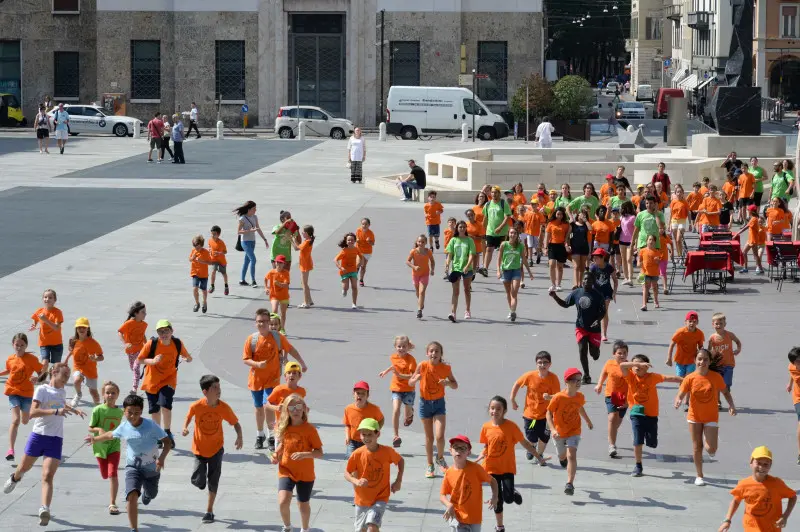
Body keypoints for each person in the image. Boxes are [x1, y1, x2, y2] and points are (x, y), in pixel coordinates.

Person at [3, 363, 85, 526]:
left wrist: (73, 409)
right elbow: (32, 412)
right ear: (54, 372)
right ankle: (15, 478)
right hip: (38, 436)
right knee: (23, 468)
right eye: (65, 374)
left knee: (47, 476)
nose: (67, 378)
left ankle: (44, 508)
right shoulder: (42, 390)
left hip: (55, 439)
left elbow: (59, 405)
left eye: (68, 375)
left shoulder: (62, 391)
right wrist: (56, 412)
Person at [86, 393, 171, 532]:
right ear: (124, 411)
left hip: (152, 468)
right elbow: (110, 434)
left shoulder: (151, 426)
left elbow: (167, 442)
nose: (132, 416)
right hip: (133, 467)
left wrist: (161, 459)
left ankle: (147, 495)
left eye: (136, 413)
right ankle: (134, 529)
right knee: (131, 496)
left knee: (152, 494)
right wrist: (95, 439)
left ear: (141, 412)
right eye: (129, 413)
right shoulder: (124, 426)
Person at [243, 308, 307, 452]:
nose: (262, 324)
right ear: (255, 323)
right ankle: (260, 435)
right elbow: (246, 359)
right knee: (259, 408)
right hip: (256, 380)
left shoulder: (277, 337)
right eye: (259, 322)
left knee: (269, 405)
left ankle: (271, 435)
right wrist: (257, 364)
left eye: (265, 322)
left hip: (272, 379)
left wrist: (302, 363)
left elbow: (290, 349)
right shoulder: (252, 339)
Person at [181, 374, 243, 524]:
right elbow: (189, 416)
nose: (218, 390)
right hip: (199, 450)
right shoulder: (196, 406)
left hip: (216, 449)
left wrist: (239, 436)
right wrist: (185, 428)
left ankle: (209, 511)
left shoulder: (224, 408)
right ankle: (199, 481)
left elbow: (235, 423)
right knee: (198, 480)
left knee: (213, 481)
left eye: (219, 387)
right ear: (205, 391)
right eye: (214, 387)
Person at [478, 396, 546, 532]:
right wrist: (482, 454)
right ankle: (500, 526)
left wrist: (538, 456)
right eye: (492, 408)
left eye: (498, 409)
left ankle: (512, 493)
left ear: (504, 411)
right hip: (491, 468)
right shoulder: (486, 427)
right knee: (496, 498)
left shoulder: (511, 427)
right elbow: (486, 445)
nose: (494, 411)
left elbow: (525, 443)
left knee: (508, 499)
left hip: (507, 467)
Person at [674, 349, 736, 487]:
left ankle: (710, 449)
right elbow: (681, 393)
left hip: (711, 416)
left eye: (705, 359)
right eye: (699, 359)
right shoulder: (690, 378)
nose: (702, 362)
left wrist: (731, 405)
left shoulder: (715, 377)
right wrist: (678, 400)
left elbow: (725, 392)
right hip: (694, 416)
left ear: (710, 361)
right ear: (695, 360)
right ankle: (699, 475)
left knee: (711, 448)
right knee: (697, 447)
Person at [619, 355, 683, 477]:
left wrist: (685, 380)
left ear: (647, 367)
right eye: (635, 365)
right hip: (636, 413)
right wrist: (636, 364)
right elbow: (622, 365)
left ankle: (651, 440)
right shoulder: (630, 377)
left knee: (652, 442)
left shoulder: (652, 377)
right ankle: (638, 465)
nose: (637, 367)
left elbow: (670, 378)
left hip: (651, 414)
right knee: (637, 440)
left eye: (641, 365)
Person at [137, 319, 193, 448]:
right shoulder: (152, 343)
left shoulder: (177, 343)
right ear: (157, 333)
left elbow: (188, 357)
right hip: (151, 381)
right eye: (160, 331)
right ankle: (157, 434)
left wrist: (187, 359)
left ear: (172, 331)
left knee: (166, 405)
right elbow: (140, 360)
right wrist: (152, 361)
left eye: (166, 330)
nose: (164, 334)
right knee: (155, 410)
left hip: (169, 379)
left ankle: (167, 432)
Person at [271, 394, 323, 532]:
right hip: (286, 470)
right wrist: (276, 454)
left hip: (305, 473)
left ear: (304, 409)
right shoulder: (285, 427)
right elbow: (282, 444)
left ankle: (304, 529)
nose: (295, 410)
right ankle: (287, 526)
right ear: (287, 411)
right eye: (291, 407)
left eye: (299, 407)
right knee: (283, 501)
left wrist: (305, 454)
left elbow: (319, 452)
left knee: (303, 504)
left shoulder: (310, 430)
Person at [344, 418, 404, 532]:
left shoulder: (387, 452)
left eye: (370, 434)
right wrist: (356, 481)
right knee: (361, 530)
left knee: (372, 527)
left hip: (380, 498)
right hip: (361, 500)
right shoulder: (357, 454)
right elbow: (346, 473)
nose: (366, 438)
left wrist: (398, 480)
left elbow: (400, 461)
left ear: (378, 434)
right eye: (363, 434)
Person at [408, 341, 458, 478]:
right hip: (425, 404)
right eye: (431, 351)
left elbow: (455, 385)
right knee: (429, 437)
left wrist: (447, 383)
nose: (434, 354)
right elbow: (410, 382)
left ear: (441, 354)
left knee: (440, 436)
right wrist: (415, 379)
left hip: (439, 404)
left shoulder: (446, 368)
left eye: (437, 351)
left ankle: (440, 458)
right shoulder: (422, 365)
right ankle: (430, 465)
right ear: (427, 353)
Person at [720, 446, 796, 531]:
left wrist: (785, 516)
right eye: (758, 463)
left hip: (772, 528)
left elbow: (793, 496)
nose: (761, 467)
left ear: (770, 466)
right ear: (751, 463)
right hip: (751, 527)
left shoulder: (777, 484)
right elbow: (736, 501)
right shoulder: (744, 484)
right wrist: (727, 520)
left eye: (765, 464)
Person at [549, 271, 606, 383]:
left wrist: (598, 320)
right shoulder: (577, 293)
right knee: (582, 349)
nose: (586, 281)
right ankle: (587, 375)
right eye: (584, 279)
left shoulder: (598, 295)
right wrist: (555, 296)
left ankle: (596, 352)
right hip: (581, 327)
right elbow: (565, 304)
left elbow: (603, 311)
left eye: (589, 280)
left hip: (594, 329)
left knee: (594, 355)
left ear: (593, 282)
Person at [546, 367, 593, 496]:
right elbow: (548, 413)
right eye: (574, 380)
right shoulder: (558, 397)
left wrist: (588, 421)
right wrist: (553, 429)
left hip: (574, 430)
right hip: (559, 432)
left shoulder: (580, 396)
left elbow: (580, 408)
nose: (578, 383)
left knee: (572, 454)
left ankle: (569, 483)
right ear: (567, 381)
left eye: (579, 380)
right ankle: (563, 460)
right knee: (563, 456)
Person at [440, 434, 498, 532]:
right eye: (456, 447)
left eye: (463, 448)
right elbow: (442, 495)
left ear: (468, 452)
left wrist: (495, 497)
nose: (459, 450)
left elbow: (493, 481)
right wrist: (449, 505)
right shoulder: (449, 472)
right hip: (457, 516)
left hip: (475, 517)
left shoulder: (476, 469)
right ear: (450, 451)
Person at [510, 350, 560, 461]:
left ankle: (540, 454)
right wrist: (512, 399)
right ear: (536, 364)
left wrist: (550, 397)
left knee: (544, 437)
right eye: (540, 362)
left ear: (550, 364)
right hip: (531, 416)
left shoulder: (553, 378)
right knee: (531, 436)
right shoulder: (529, 376)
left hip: (546, 416)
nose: (542, 365)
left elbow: (558, 396)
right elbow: (517, 384)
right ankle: (531, 447)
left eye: (545, 362)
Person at [2, 333, 44, 462]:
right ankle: (11, 450)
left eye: (22, 345)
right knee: (16, 420)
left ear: (26, 346)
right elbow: (9, 370)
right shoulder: (10, 359)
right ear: (13, 345)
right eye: (17, 345)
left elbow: (42, 372)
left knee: (25, 420)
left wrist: (37, 378)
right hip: (13, 391)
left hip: (26, 394)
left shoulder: (31, 359)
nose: (19, 347)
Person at [86, 381, 123, 515]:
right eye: (108, 392)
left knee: (113, 474)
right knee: (105, 474)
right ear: (103, 394)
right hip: (100, 447)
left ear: (118, 395)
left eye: (113, 393)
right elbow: (90, 427)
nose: (110, 395)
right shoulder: (98, 410)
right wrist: (99, 429)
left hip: (114, 446)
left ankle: (112, 503)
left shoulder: (120, 412)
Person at [379, 336, 418, 448]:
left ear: (408, 347)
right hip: (396, 388)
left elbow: (412, 375)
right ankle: (396, 436)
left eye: (404, 346)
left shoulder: (411, 360)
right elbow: (394, 366)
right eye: (399, 346)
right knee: (396, 409)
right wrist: (386, 371)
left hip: (409, 389)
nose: (401, 349)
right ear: (395, 347)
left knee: (408, 412)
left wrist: (400, 375)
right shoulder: (394, 357)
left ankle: (410, 414)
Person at [594, 340, 629, 458]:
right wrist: (599, 384)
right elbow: (604, 373)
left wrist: (629, 400)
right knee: (612, 417)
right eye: (619, 353)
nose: (622, 355)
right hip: (611, 394)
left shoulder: (629, 366)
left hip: (623, 397)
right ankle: (612, 445)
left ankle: (612, 434)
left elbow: (634, 383)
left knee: (617, 421)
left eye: (624, 353)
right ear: (614, 354)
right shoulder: (609, 363)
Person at [64, 317, 104, 407]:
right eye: (79, 327)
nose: (81, 329)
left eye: (84, 327)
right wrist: (65, 361)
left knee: (94, 393)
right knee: (77, 380)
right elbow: (71, 352)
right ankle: (78, 394)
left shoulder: (94, 343)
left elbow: (101, 357)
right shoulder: (73, 341)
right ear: (76, 329)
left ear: (88, 329)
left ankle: (98, 407)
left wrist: (95, 359)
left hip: (91, 369)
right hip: (78, 367)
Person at [496, 227, 532, 322]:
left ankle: (513, 311)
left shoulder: (520, 246)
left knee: (514, 292)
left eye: (514, 233)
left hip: (516, 270)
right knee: (508, 293)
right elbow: (499, 258)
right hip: (506, 271)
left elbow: (524, 259)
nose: (513, 235)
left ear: (517, 235)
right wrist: (498, 271)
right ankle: (511, 310)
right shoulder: (504, 244)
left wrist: (529, 272)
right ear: (508, 234)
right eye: (511, 233)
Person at [444, 220, 477, 322]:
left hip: (467, 268)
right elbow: (449, 254)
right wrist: (447, 265)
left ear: (466, 228)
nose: (462, 229)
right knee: (455, 292)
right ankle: (453, 313)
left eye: (463, 227)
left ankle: (467, 310)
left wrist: (467, 266)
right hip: (456, 268)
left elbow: (472, 255)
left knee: (467, 290)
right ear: (457, 228)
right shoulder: (454, 240)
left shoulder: (469, 240)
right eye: (460, 227)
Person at [343, 381, 385, 458]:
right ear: (354, 394)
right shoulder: (348, 409)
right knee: (351, 459)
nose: (360, 396)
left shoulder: (374, 409)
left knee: (366, 460)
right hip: (353, 441)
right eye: (358, 393)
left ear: (367, 395)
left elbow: (381, 419)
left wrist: (376, 431)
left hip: (367, 440)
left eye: (363, 394)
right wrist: (347, 436)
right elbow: (347, 424)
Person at [234, 201, 269, 287]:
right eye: (254, 209)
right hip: (244, 242)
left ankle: (242, 280)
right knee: (253, 259)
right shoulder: (242, 218)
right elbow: (238, 231)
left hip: (252, 241)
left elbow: (258, 228)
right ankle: (253, 281)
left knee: (247, 261)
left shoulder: (255, 217)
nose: (255, 210)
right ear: (249, 209)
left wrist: (264, 239)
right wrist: (249, 230)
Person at [707, 312, 742, 398]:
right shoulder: (712, 338)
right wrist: (709, 359)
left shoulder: (729, 335)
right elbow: (709, 350)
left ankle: (728, 398)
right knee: (717, 384)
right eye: (716, 324)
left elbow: (737, 341)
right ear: (713, 324)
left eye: (721, 323)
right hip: (717, 365)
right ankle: (718, 401)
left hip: (729, 364)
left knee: (726, 384)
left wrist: (738, 349)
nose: (719, 326)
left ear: (725, 324)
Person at [30, 288, 64, 375]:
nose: (47, 299)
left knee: (56, 366)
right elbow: (35, 318)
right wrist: (34, 324)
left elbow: (56, 328)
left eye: (50, 297)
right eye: (45, 297)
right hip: (44, 342)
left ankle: (54, 380)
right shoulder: (40, 311)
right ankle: (41, 378)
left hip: (57, 343)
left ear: (54, 300)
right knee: (44, 362)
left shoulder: (57, 312)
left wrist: (46, 320)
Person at [482, 186, 513, 275]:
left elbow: (507, 217)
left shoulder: (503, 203)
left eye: (495, 192)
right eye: (492, 192)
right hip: (490, 231)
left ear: (499, 193)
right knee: (489, 249)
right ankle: (485, 268)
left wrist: (500, 227)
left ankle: (503, 267)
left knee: (502, 250)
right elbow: (485, 217)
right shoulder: (488, 204)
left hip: (502, 232)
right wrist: (483, 230)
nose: (494, 194)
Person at [266, 362, 306, 429]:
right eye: (289, 373)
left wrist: (305, 409)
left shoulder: (302, 391)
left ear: (299, 376)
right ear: (285, 376)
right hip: (281, 425)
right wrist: (276, 408)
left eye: (294, 373)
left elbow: (300, 405)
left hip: (295, 425)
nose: (291, 375)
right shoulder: (278, 389)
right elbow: (267, 404)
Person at [118, 302, 147, 395]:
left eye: (145, 312)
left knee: (136, 367)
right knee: (133, 368)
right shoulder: (129, 323)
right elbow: (120, 332)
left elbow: (143, 335)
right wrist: (125, 343)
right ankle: (137, 377)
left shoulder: (144, 324)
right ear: (136, 313)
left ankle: (134, 389)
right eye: (143, 312)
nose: (145, 314)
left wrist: (147, 345)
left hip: (140, 350)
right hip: (130, 351)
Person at [666, 311, 705, 379]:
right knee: (680, 378)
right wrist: (669, 358)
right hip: (680, 360)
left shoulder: (699, 333)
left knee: (688, 378)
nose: (692, 323)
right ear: (685, 322)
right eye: (690, 321)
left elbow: (700, 346)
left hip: (692, 360)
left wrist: (702, 354)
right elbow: (672, 344)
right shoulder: (680, 332)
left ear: (697, 322)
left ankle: (687, 389)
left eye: (694, 321)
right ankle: (682, 389)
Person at [589, 248, 616, 341]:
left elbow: (615, 280)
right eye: (594, 258)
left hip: (606, 292)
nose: (594, 260)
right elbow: (588, 280)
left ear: (603, 257)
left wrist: (614, 292)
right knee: (595, 313)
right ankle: (594, 332)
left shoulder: (609, 267)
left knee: (604, 312)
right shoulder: (593, 267)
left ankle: (604, 334)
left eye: (596, 258)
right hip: (595, 292)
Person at [406, 234, 434, 319]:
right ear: (417, 242)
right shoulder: (413, 251)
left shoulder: (428, 251)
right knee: (418, 292)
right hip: (415, 274)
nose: (421, 243)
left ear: (425, 243)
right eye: (419, 241)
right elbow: (407, 261)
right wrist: (414, 267)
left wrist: (432, 270)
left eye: (423, 242)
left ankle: (419, 310)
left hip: (425, 274)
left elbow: (432, 261)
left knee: (422, 292)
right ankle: (421, 303)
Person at [335, 232, 363, 310]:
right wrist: (340, 267)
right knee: (346, 287)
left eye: (352, 240)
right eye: (348, 240)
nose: (350, 241)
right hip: (345, 272)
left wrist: (360, 263)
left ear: (355, 241)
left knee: (354, 287)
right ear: (346, 241)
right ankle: (344, 289)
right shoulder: (344, 251)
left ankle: (354, 303)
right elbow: (335, 260)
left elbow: (361, 256)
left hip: (353, 270)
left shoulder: (356, 249)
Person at [734, 205, 765, 274]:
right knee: (746, 253)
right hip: (751, 239)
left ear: (751, 211)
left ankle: (759, 269)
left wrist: (737, 233)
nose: (747, 211)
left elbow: (746, 227)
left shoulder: (754, 218)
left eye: (748, 210)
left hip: (753, 240)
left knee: (754, 255)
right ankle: (747, 268)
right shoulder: (753, 218)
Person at [265, 255, 291, 333]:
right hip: (274, 295)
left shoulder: (286, 273)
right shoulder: (271, 272)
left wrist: (278, 283)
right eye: (277, 262)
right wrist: (266, 287)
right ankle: (272, 327)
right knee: (274, 310)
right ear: (275, 263)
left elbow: (286, 285)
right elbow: (265, 278)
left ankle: (282, 328)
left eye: (281, 263)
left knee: (283, 313)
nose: (278, 264)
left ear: (284, 264)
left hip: (284, 296)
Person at [189, 234, 214, 314]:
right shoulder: (193, 251)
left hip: (203, 274)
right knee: (195, 288)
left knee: (203, 290)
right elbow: (190, 259)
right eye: (194, 245)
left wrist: (201, 261)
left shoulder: (206, 252)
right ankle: (197, 303)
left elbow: (210, 263)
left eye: (197, 245)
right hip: (195, 273)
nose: (196, 247)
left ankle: (204, 302)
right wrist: (192, 258)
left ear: (201, 244)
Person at [569, 210, 591, 289]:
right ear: (577, 216)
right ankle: (575, 284)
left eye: (584, 215)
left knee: (582, 266)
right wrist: (567, 245)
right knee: (576, 266)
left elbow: (590, 229)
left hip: (584, 247)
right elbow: (568, 235)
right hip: (575, 247)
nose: (582, 217)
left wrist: (586, 220)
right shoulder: (573, 224)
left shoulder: (586, 225)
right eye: (581, 215)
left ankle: (580, 283)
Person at [638, 234, 661, 310]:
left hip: (654, 273)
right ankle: (644, 304)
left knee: (654, 287)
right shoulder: (642, 251)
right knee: (645, 288)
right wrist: (640, 264)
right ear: (646, 241)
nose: (651, 241)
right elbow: (639, 262)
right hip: (645, 273)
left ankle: (656, 301)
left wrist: (657, 261)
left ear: (655, 242)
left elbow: (659, 263)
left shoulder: (657, 252)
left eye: (653, 240)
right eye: (649, 240)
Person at [295, 225, 315, 308]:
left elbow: (296, 248)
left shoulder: (307, 242)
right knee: (305, 283)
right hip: (306, 263)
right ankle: (309, 300)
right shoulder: (307, 240)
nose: (302, 233)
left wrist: (291, 239)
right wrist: (294, 239)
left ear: (306, 233)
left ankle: (305, 302)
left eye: (303, 232)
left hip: (305, 264)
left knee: (304, 284)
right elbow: (298, 246)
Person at [618, 201, 636, 285]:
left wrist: (635, 241)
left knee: (629, 259)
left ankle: (630, 278)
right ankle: (626, 277)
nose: (621, 209)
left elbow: (636, 230)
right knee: (623, 259)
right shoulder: (621, 217)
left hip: (630, 241)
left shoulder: (633, 218)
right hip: (622, 240)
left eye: (623, 207)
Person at [208, 225, 229, 296]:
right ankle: (212, 286)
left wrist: (220, 253)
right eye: (212, 234)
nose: (213, 235)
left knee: (224, 273)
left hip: (221, 260)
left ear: (218, 234)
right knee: (213, 271)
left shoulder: (221, 242)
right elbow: (210, 247)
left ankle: (226, 286)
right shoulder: (210, 240)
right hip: (214, 259)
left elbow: (225, 251)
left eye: (214, 234)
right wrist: (210, 250)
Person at [670, 184, 690, 257]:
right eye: (677, 192)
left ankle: (680, 255)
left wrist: (690, 224)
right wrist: (669, 224)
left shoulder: (685, 202)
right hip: (674, 221)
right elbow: (671, 213)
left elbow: (688, 213)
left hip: (682, 221)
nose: (679, 193)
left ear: (683, 193)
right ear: (675, 193)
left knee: (678, 239)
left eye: (680, 192)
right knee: (676, 240)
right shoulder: (673, 202)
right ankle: (679, 255)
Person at [788, 347, 800, 465]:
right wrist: (791, 384)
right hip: (798, 399)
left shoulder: (792, 366)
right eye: (798, 362)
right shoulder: (793, 369)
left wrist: (789, 384)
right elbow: (792, 374)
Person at [356, 217, 375, 287]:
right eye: (363, 224)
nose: (364, 225)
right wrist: (357, 240)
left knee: (363, 266)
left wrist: (369, 241)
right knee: (358, 263)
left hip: (367, 252)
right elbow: (356, 238)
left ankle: (361, 280)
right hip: (359, 250)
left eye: (366, 224)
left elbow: (373, 243)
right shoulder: (358, 230)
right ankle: (354, 276)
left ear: (369, 225)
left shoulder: (371, 233)